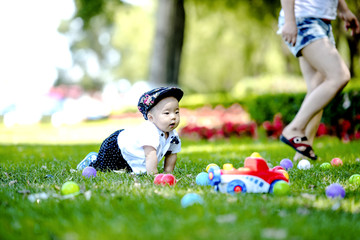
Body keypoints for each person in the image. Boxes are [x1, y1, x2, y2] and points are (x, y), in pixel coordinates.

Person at [278, 0, 360, 160]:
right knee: (340, 75)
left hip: (321, 22)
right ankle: (294, 128)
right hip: (304, 20)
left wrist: (344, 10)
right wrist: (289, 21)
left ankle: (302, 156)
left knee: (318, 88)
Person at [76, 87, 183, 175]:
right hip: (116, 146)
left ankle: (106, 160)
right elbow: (150, 155)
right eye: (167, 113)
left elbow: (172, 154)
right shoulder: (149, 131)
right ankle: (93, 159)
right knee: (104, 167)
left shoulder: (173, 135)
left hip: (131, 153)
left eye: (176, 112)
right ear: (151, 118)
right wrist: (153, 174)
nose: (173, 117)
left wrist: (168, 173)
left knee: (125, 169)